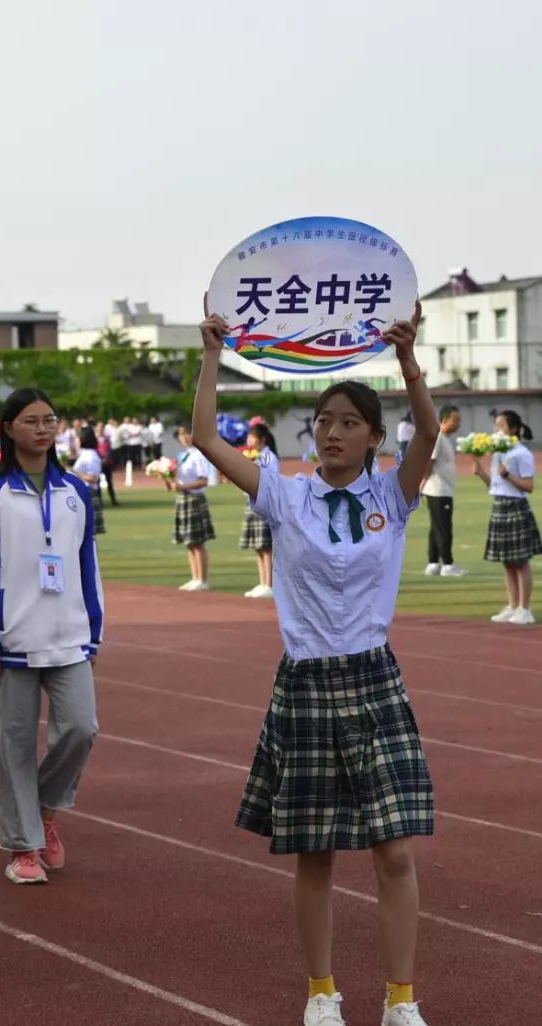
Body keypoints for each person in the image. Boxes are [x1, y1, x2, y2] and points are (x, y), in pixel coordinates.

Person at [193, 298, 437, 1026]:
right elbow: (206, 437)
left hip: (372, 678)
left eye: (348, 423)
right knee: (316, 852)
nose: (331, 432)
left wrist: (407, 360)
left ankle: (400, 999)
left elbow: (427, 428)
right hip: (304, 679)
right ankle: (321, 992)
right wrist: (211, 353)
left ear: (370, 438)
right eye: (324, 421)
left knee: (394, 851)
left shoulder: (392, 496)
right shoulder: (285, 495)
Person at [0, 388, 101, 885]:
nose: (44, 429)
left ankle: (43, 807)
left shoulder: (76, 491)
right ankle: (23, 848)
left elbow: (87, 563)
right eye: (32, 421)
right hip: (11, 637)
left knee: (81, 728)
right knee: (14, 744)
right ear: (9, 428)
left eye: (50, 420)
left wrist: (95, 632)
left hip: (68, 633)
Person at [472, 409, 539, 625]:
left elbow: (528, 486)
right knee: (507, 562)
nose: (497, 430)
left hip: (516, 508)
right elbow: (495, 486)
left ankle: (525, 608)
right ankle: (512, 605)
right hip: (499, 506)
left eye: (501, 426)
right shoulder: (498, 453)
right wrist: (481, 471)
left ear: (514, 430)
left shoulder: (521, 454)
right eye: (496, 426)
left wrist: (508, 475)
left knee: (520, 561)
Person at [421, 406, 467, 578]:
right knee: (444, 528)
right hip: (438, 489)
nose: (459, 423)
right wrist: (422, 482)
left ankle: (433, 563)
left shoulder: (445, 438)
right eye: (456, 419)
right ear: (445, 420)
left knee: (436, 527)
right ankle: (448, 564)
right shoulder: (438, 437)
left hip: (442, 489)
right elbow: (429, 462)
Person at [239, 423, 279, 599]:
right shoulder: (252, 456)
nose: (249, 441)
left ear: (262, 440)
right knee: (257, 545)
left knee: (266, 546)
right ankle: (262, 582)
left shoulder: (268, 457)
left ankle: (269, 584)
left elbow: (271, 480)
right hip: (252, 501)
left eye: (252, 437)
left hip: (264, 503)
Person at [173, 425, 215, 591]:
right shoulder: (183, 456)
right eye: (181, 434)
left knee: (198, 541)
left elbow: (204, 480)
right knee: (189, 542)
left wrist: (184, 487)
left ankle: (202, 579)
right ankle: (194, 576)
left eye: (187, 433)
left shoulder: (198, 455)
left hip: (195, 499)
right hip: (183, 499)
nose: (184, 437)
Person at [72, 426, 106, 535]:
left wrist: (74, 472)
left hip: (88, 493)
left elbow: (93, 478)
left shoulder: (91, 456)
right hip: (81, 492)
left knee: (88, 534)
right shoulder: (85, 453)